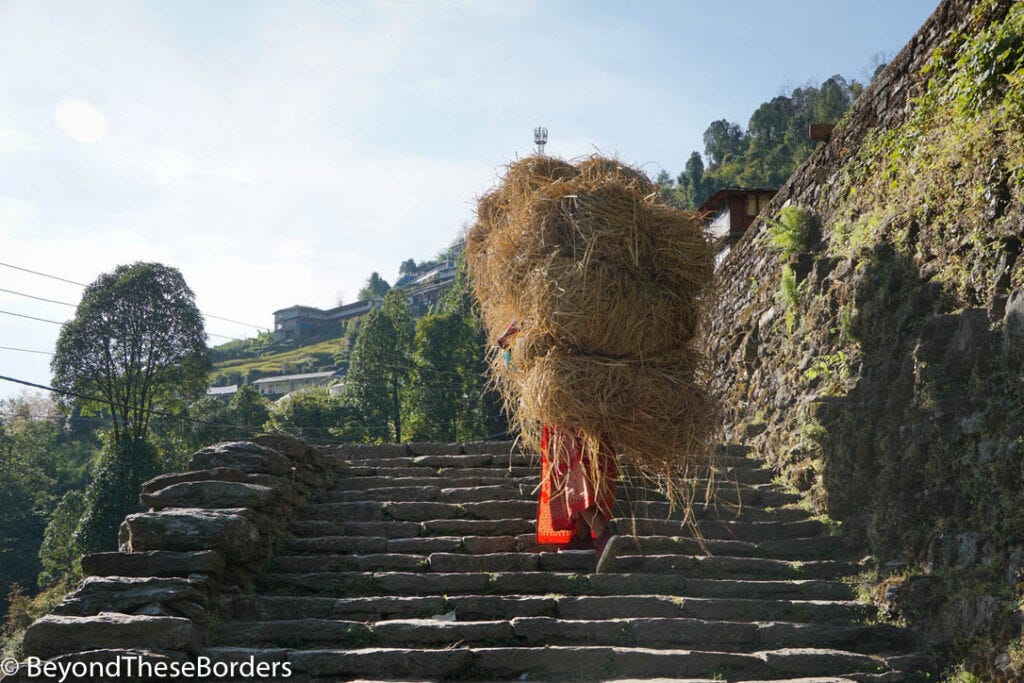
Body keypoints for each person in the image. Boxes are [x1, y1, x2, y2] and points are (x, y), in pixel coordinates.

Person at [496, 320, 623, 572]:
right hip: (595, 406)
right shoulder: (593, 324)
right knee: (589, 470)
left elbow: (509, 354)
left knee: (570, 475)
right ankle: (583, 536)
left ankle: (600, 532)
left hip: (562, 411)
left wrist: (508, 344)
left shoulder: (533, 318)